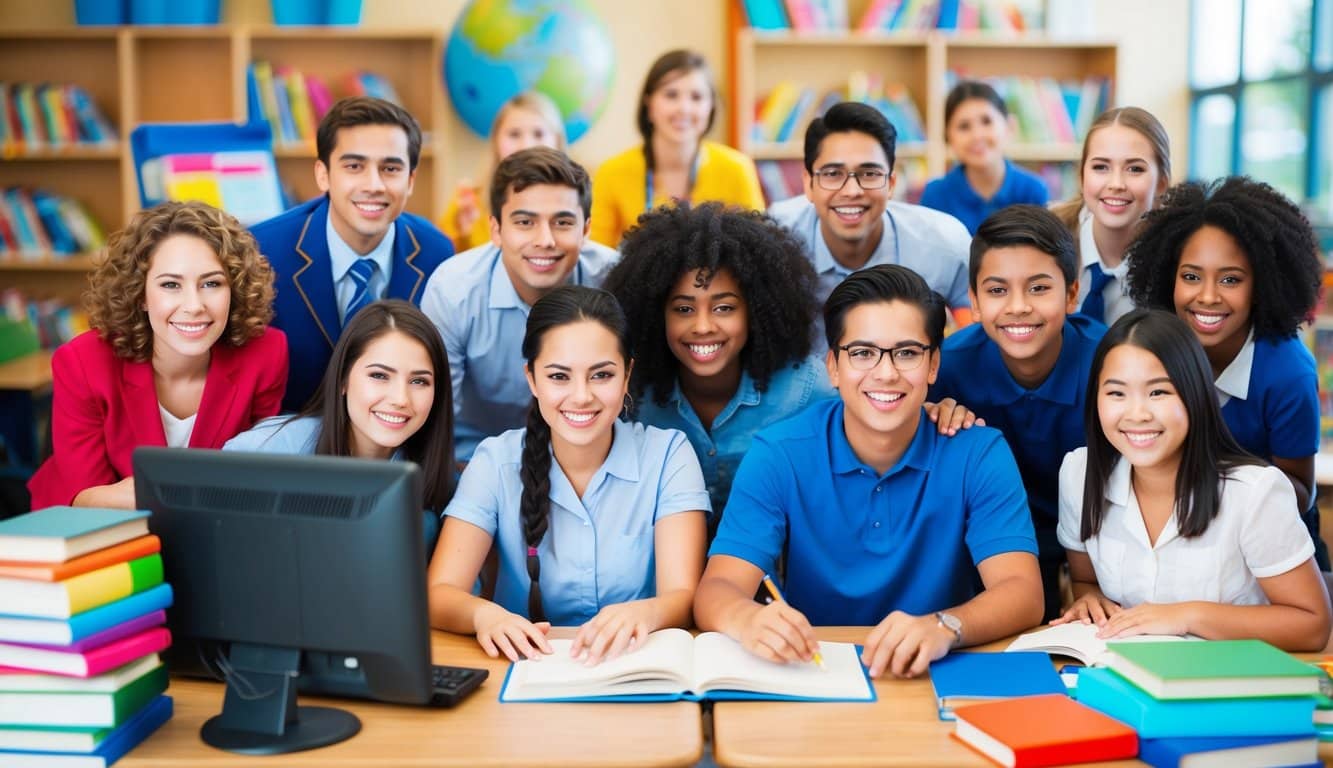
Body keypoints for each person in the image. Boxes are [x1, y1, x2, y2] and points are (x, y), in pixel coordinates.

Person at [693, 265, 1043, 679]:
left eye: (907, 353)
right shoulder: (778, 454)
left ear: (933, 366)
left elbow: (1023, 592)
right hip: (815, 673)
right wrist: (746, 619)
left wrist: (945, 626)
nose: (886, 372)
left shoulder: (979, 453)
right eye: (862, 353)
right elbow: (717, 589)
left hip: (938, 671)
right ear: (834, 367)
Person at [427, 286, 708, 664]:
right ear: (532, 379)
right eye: (559, 376)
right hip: (525, 669)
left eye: (601, 375)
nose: (581, 396)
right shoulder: (495, 461)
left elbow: (684, 594)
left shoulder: (669, 455)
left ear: (627, 375)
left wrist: (645, 613)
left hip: (638, 667)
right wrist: (485, 615)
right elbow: (439, 592)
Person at [1053, 309, 1330, 652]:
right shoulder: (1079, 474)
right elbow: (1083, 579)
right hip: (1124, 681)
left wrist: (1188, 615)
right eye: (1116, 394)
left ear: (1196, 395)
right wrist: (1088, 598)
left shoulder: (1254, 492)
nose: (1137, 414)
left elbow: (1312, 624)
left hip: (1230, 688)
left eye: (1158, 393)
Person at [28, 201, 287, 510]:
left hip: (208, 529)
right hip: (90, 532)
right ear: (141, 295)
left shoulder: (267, 354)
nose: (194, 305)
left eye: (211, 283)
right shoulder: (83, 362)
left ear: (235, 290)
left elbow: (256, 479)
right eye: (170, 285)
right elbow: (87, 496)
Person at [1125, 177, 1328, 567]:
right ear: (1168, 278)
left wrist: (1215, 490)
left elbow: (1300, 490)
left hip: (1275, 546)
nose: (1208, 296)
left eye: (1231, 279)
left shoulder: (1288, 373)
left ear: (1263, 284)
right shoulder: (1152, 354)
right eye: (1191, 276)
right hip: (1178, 536)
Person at [932, 205, 1106, 622]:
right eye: (996, 291)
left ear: (1071, 295)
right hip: (988, 542)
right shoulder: (946, 369)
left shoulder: (1111, 364)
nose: (1018, 307)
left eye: (1038, 288)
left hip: (1095, 541)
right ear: (972, 302)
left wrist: (1088, 583)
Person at [602, 202, 831, 518]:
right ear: (655, 316)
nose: (703, 326)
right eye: (684, 309)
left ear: (757, 311)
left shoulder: (807, 391)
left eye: (724, 308)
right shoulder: (632, 397)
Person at [251, 96, 454, 412]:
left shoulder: (436, 254)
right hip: (292, 440)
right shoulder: (264, 252)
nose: (374, 185)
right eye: (354, 166)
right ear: (323, 174)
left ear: (410, 180)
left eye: (390, 168)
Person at [421, 146, 618, 462]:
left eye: (563, 222)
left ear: (586, 230)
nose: (545, 240)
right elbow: (434, 418)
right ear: (496, 230)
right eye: (525, 222)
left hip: (589, 457)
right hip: (473, 458)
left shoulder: (616, 282)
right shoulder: (453, 291)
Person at [224, 300, 454, 554]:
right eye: (379, 376)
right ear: (343, 380)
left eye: (419, 381)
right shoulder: (264, 454)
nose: (401, 399)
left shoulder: (444, 487)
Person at [767, 102, 972, 330]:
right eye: (833, 174)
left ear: (892, 183)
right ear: (808, 183)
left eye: (870, 174)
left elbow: (981, 329)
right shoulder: (775, 240)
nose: (852, 191)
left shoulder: (943, 243)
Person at [589, 49, 764, 248]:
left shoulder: (736, 168)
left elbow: (758, 250)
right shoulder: (611, 173)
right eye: (671, 95)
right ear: (649, 103)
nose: (684, 108)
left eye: (696, 97)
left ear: (711, 107)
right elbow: (596, 258)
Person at [1050, 106, 1170, 327]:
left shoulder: (1177, 260)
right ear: (1081, 176)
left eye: (1134, 169)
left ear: (1161, 183)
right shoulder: (1046, 240)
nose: (1116, 184)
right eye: (1101, 167)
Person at [439, 92, 566, 253]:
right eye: (514, 134)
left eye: (538, 134)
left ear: (557, 141)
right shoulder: (469, 202)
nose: (526, 145)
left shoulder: (579, 201)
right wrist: (462, 232)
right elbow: (444, 262)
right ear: (496, 141)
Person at [919, 81, 1049, 235]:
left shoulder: (1033, 191)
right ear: (948, 136)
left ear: (1010, 126)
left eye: (986, 121)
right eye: (964, 126)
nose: (977, 136)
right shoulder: (935, 195)